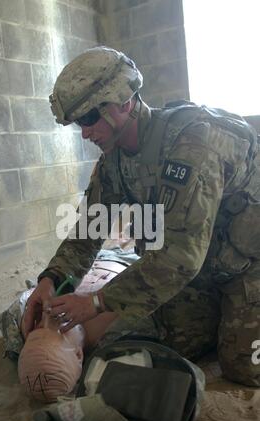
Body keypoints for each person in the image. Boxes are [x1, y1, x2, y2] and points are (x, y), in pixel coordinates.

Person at [23, 46, 260, 387]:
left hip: (247, 264)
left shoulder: (194, 146)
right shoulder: (115, 162)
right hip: (203, 269)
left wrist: (96, 300)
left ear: (122, 102)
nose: (85, 133)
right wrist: (51, 278)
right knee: (175, 340)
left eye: (89, 118)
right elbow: (88, 232)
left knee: (245, 367)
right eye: (79, 123)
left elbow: (180, 256)